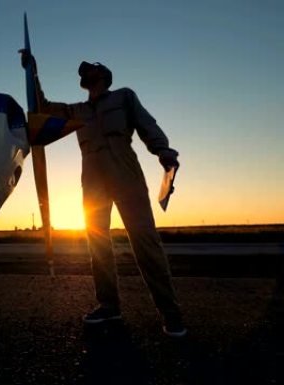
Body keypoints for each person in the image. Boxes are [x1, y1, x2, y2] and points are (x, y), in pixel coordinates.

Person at [21, 53, 187, 337]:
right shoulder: (78, 111)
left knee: (145, 242)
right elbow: (43, 109)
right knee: (97, 245)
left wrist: (164, 151)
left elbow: (148, 126)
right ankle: (109, 307)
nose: (85, 75)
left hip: (125, 173)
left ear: (104, 77)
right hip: (93, 181)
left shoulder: (123, 97)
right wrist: (32, 72)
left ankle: (170, 312)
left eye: (91, 70)